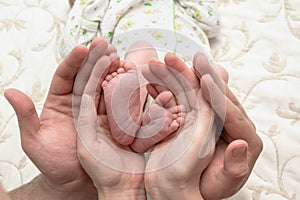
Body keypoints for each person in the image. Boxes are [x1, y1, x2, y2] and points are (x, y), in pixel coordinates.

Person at [3, 37, 262, 199]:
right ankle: (139, 119)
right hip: (177, 80)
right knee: (153, 56)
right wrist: (177, 190)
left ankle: (135, 121)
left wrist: (122, 192)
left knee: (209, 72)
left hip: (170, 75)